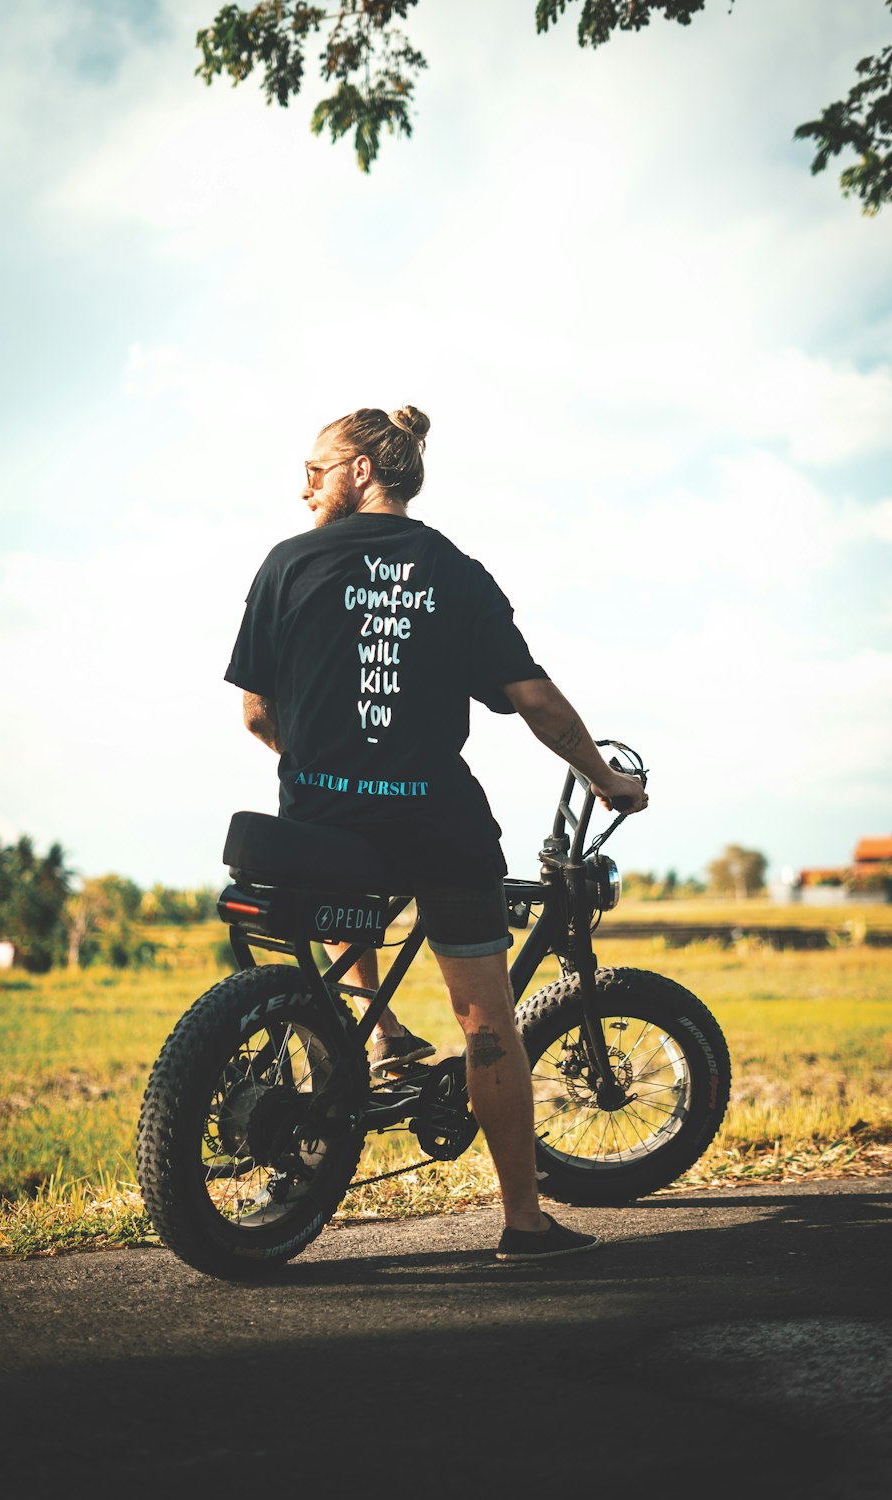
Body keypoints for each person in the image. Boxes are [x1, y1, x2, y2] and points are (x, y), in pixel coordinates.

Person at [225, 405, 649, 1261]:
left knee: (344, 903)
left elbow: (257, 712)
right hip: (438, 825)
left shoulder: (284, 565)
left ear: (360, 472)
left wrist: (323, 761)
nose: (304, 481)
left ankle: (377, 1041)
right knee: (486, 1019)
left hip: (320, 824)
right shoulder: (455, 572)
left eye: (317, 465)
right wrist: (605, 778)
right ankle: (524, 1225)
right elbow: (532, 699)